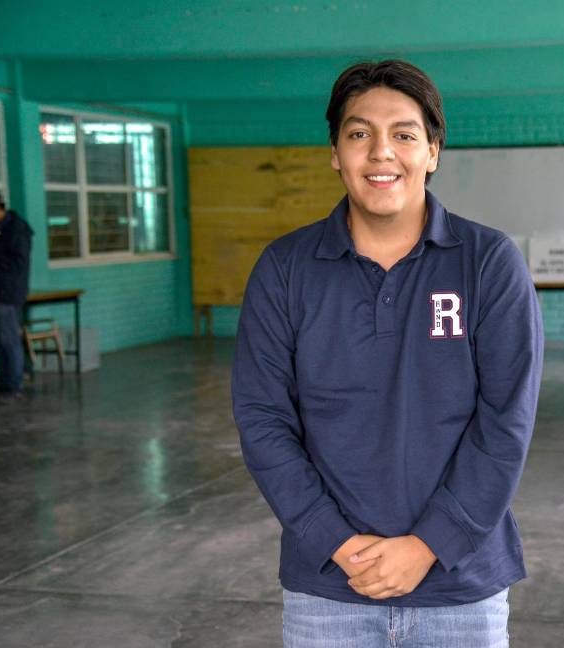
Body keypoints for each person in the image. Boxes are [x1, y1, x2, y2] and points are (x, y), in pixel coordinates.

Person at [231, 60, 543, 648]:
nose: (381, 153)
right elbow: (263, 420)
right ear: (335, 153)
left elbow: (507, 423)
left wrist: (428, 545)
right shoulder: (284, 269)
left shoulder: (488, 263)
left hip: (462, 586)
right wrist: (338, 543)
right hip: (327, 587)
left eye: (403, 134)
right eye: (358, 134)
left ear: (433, 151)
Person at [0, 192, 33, 404]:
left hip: (8, 294)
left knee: (9, 341)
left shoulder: (16, 229)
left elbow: (17, 263)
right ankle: (4, 385)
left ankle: (14, 386)